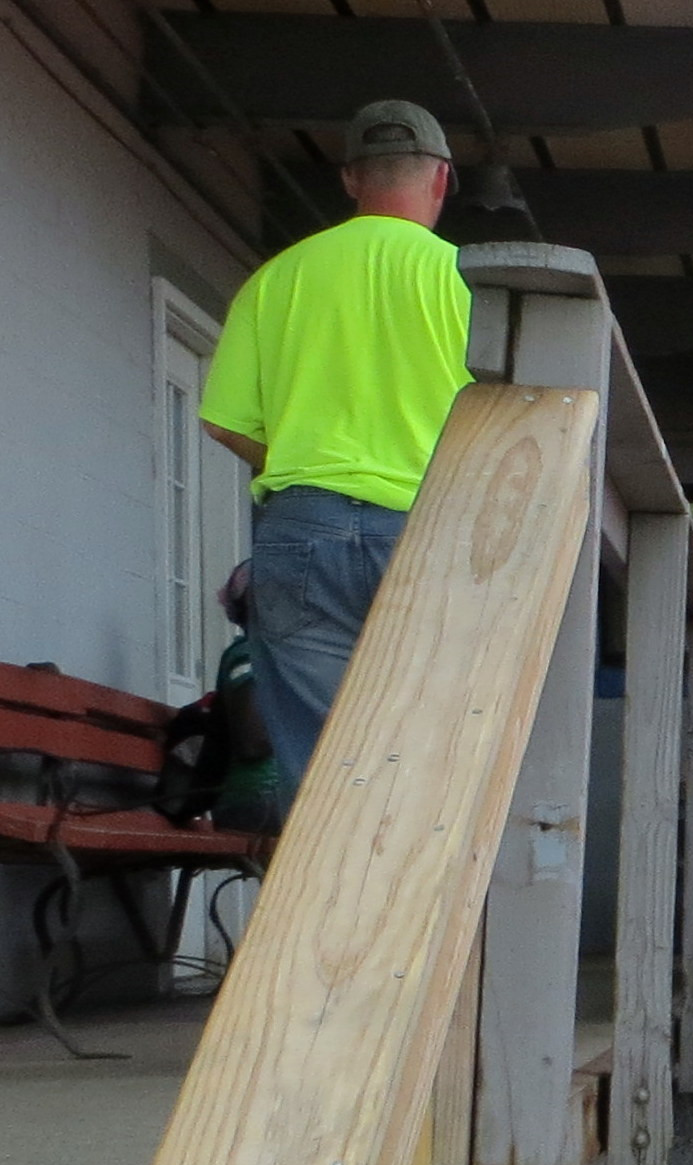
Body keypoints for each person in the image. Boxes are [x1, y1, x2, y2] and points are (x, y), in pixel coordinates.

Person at [200, 99, 472, 816]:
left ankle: (326, 922)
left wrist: (300, 460)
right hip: (423, 527)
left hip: (300, 532)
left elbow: (225, 424)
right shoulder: (466, 280)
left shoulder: (275, 280)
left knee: (326, 775)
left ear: (351, 180)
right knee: (425, 748)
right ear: (441, 178)